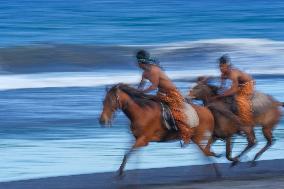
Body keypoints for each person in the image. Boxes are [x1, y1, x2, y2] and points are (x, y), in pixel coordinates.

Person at [136, 50, 192, 144]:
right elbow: (140, 87)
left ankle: (184, 132)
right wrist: (136, 93)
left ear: (141, 62)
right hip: (161, 94)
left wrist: (143, 92)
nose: (137, 64)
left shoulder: (154, 70)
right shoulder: (145, 73)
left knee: (175, 112)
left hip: (172, 93)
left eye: (138, 62)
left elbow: (153, 86)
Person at [213, 55, 255, 127]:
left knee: (239, 99)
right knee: (225, 96)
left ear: (228, 66)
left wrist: (221, 95)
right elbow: (222, 88)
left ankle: (245, 122)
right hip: (239, 85)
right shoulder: (223, 75)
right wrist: (218, 94)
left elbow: (234, 90)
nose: (221, 68)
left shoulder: (233, 74)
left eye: (223, 66)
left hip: (247, 85)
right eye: (220, 66)